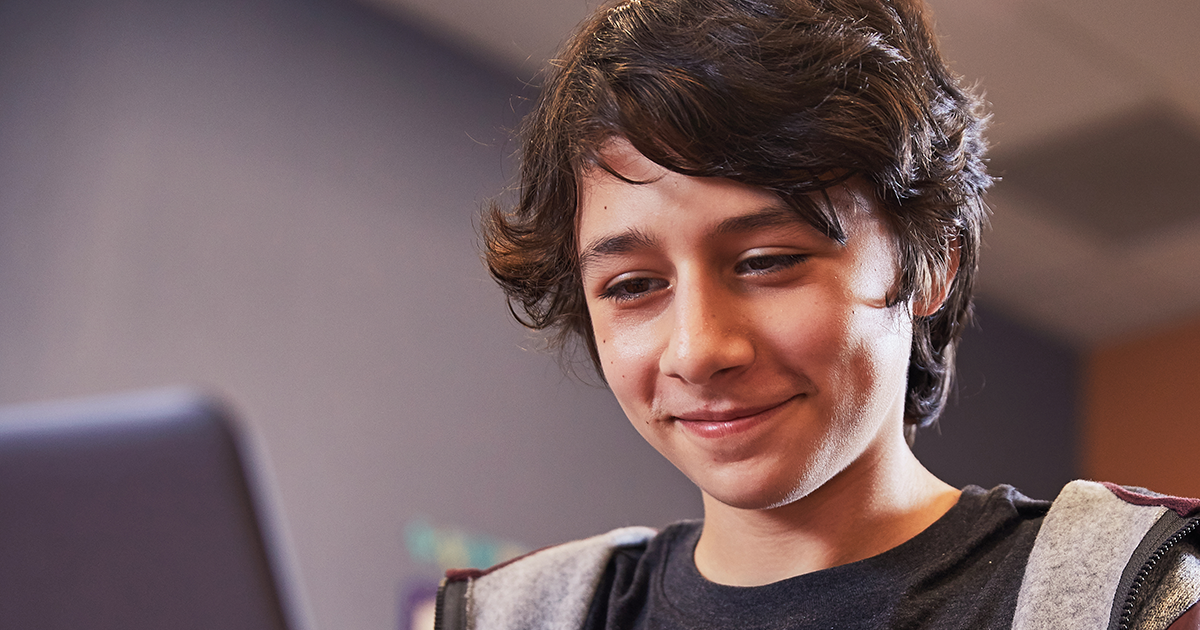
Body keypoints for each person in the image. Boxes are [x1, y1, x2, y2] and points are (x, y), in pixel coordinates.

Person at [435, 0, 1200, 628]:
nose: (699, 351)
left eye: (767, 262)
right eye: (634, 285)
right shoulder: (513, 617)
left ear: (930, 263)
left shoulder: (1129, 593)